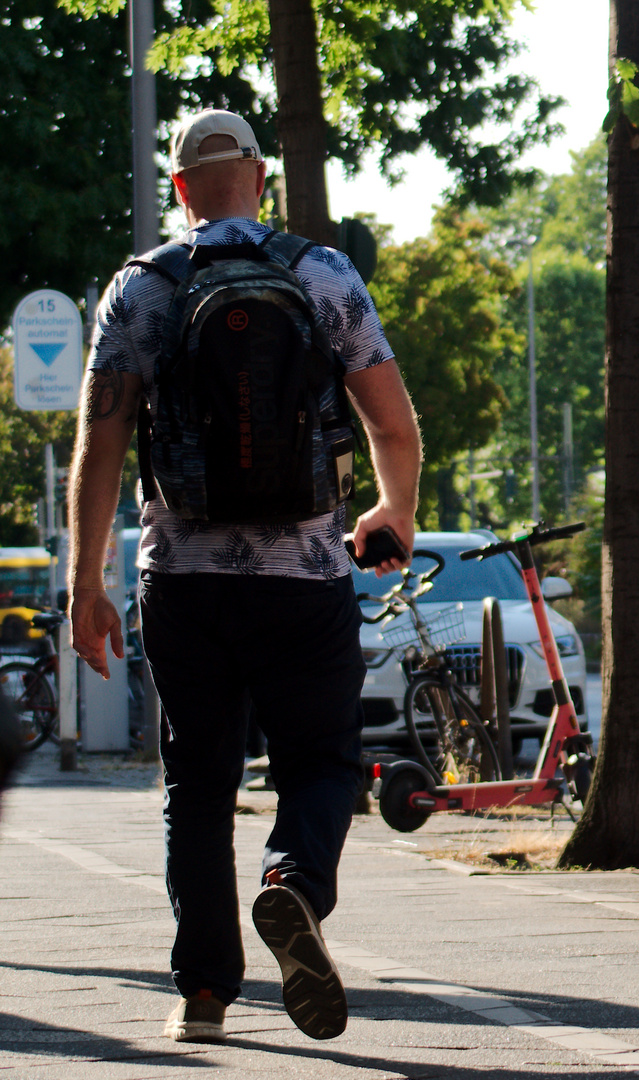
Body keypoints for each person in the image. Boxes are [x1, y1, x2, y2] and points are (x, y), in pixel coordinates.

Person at [66, 109, 422, 1044]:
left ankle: (205, 997)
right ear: (260, 178)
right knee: (320, 760)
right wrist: (394, 513)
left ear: (179, 187)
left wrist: (84, 583)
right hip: (303, 572)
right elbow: (391, 423)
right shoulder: (322, 273)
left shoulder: (141, 289)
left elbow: (99, 447)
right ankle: (293, 884)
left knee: (198, 782)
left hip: (181, 574)